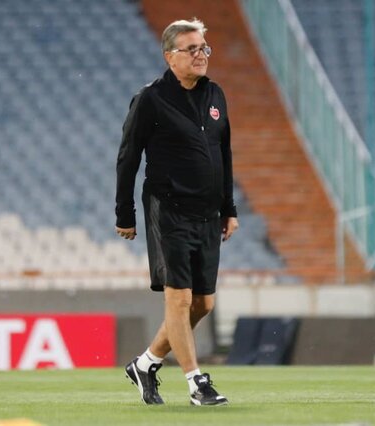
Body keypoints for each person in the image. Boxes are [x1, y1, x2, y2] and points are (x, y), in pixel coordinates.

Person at [114, 18, 237, 406]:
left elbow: (224, 153)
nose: (201, 55)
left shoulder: (215, 94)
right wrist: (124, 213)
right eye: (192, 49)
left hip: (208, 213)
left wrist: (229, 207)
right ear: (170, 56)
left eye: (204, 48)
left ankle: (146, 363)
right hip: (168, 209)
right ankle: (197, 384)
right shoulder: (150, 99)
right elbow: (128, 158)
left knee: (204, 304)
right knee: (179, 301)